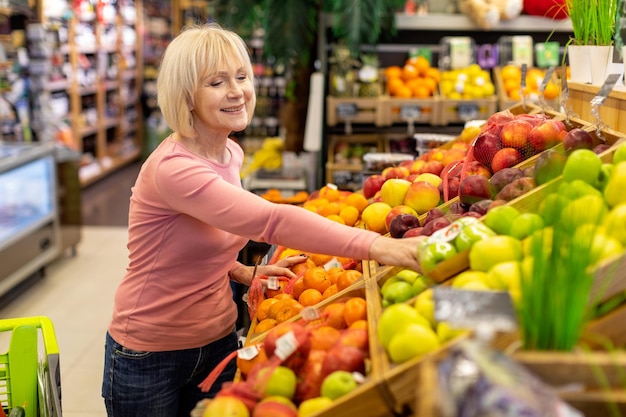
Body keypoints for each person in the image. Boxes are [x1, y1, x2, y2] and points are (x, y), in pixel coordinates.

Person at [101, 22, 424, 417]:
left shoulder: (230, 154)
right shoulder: (174, 169)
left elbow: (201, 239)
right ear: (186, 96)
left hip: (218, 340)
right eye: (216, 82)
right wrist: (381, 246)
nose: (237, 91)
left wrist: (243, 273)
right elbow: (270, 220)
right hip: (150, 353)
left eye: (241, 77)